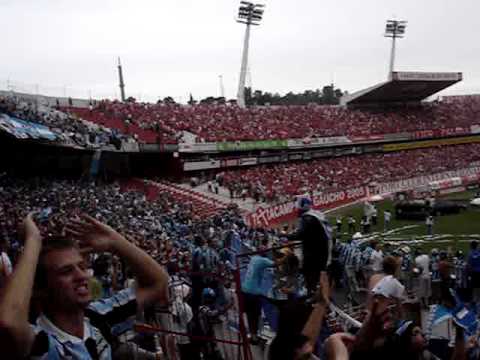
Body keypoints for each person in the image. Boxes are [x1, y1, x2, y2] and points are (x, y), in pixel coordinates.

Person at [0, 213, 169, 359]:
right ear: (40, 289)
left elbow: (158, 282)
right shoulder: (40, 342)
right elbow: (9, 323)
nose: (82, 276)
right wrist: (33, 241)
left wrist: (115, 243)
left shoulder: (99, 316)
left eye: (81, 267)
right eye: (66, 271)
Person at [287, 197, 332, 296]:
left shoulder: (307, 218)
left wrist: (287, 236)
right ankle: (323, 295)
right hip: (323, 249)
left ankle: (313, 296)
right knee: (322, 274)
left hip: (313, 252)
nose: (296, 211)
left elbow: (301, 234)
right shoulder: (317, 214)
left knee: (311, 276)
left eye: (297, 208)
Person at [467, 240, 480, 305]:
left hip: (474, 273)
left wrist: (469, 273)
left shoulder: (470, 254)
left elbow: (469, 265)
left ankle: (475, 300)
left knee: (474, 287)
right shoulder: (479, 252)